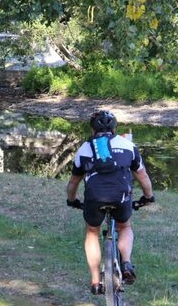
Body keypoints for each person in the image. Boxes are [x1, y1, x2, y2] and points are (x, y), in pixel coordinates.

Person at [66, 110, 154, 295]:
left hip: (94, 196)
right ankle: (126, 262)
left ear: (92, 129)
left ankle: (95, 281)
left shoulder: (84, 149)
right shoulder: (127, 145)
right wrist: (148, 196)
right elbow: (142, 175)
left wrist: (72, 200)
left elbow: (74, 181)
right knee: (125, 227)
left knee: (92, 232)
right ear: (115, 128)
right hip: (121, 196)